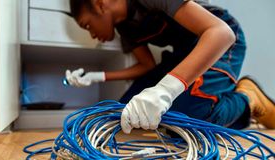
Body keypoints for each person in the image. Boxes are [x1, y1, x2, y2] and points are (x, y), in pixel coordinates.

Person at [65, 0, 275, 134]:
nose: (92, 34)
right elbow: (146, 66)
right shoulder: (124, 27)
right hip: (184, 52)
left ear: (100, 4)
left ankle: (246, 99)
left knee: (186, 119)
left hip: (220, 42)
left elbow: (221, 33)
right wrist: (97, 76)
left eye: (87, 25)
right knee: (124, 110)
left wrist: (165, 90)